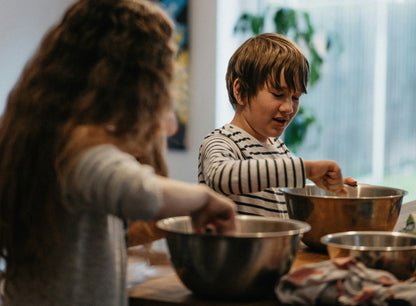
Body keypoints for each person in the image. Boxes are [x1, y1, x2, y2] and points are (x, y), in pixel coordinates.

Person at [0, 0, 236, 305]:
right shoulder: (74, 148)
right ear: (132, 84)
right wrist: (204, 198)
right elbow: (140, 191)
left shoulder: (45, 133)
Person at [198, 33, 356, 218]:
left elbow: (285, 186)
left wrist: (329, 189)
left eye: (295, 97)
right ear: (240, 91)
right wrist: (307, 169)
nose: (289, 108)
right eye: (278, 94)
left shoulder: (280, 149)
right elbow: (220, 176)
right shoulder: (221, 142)